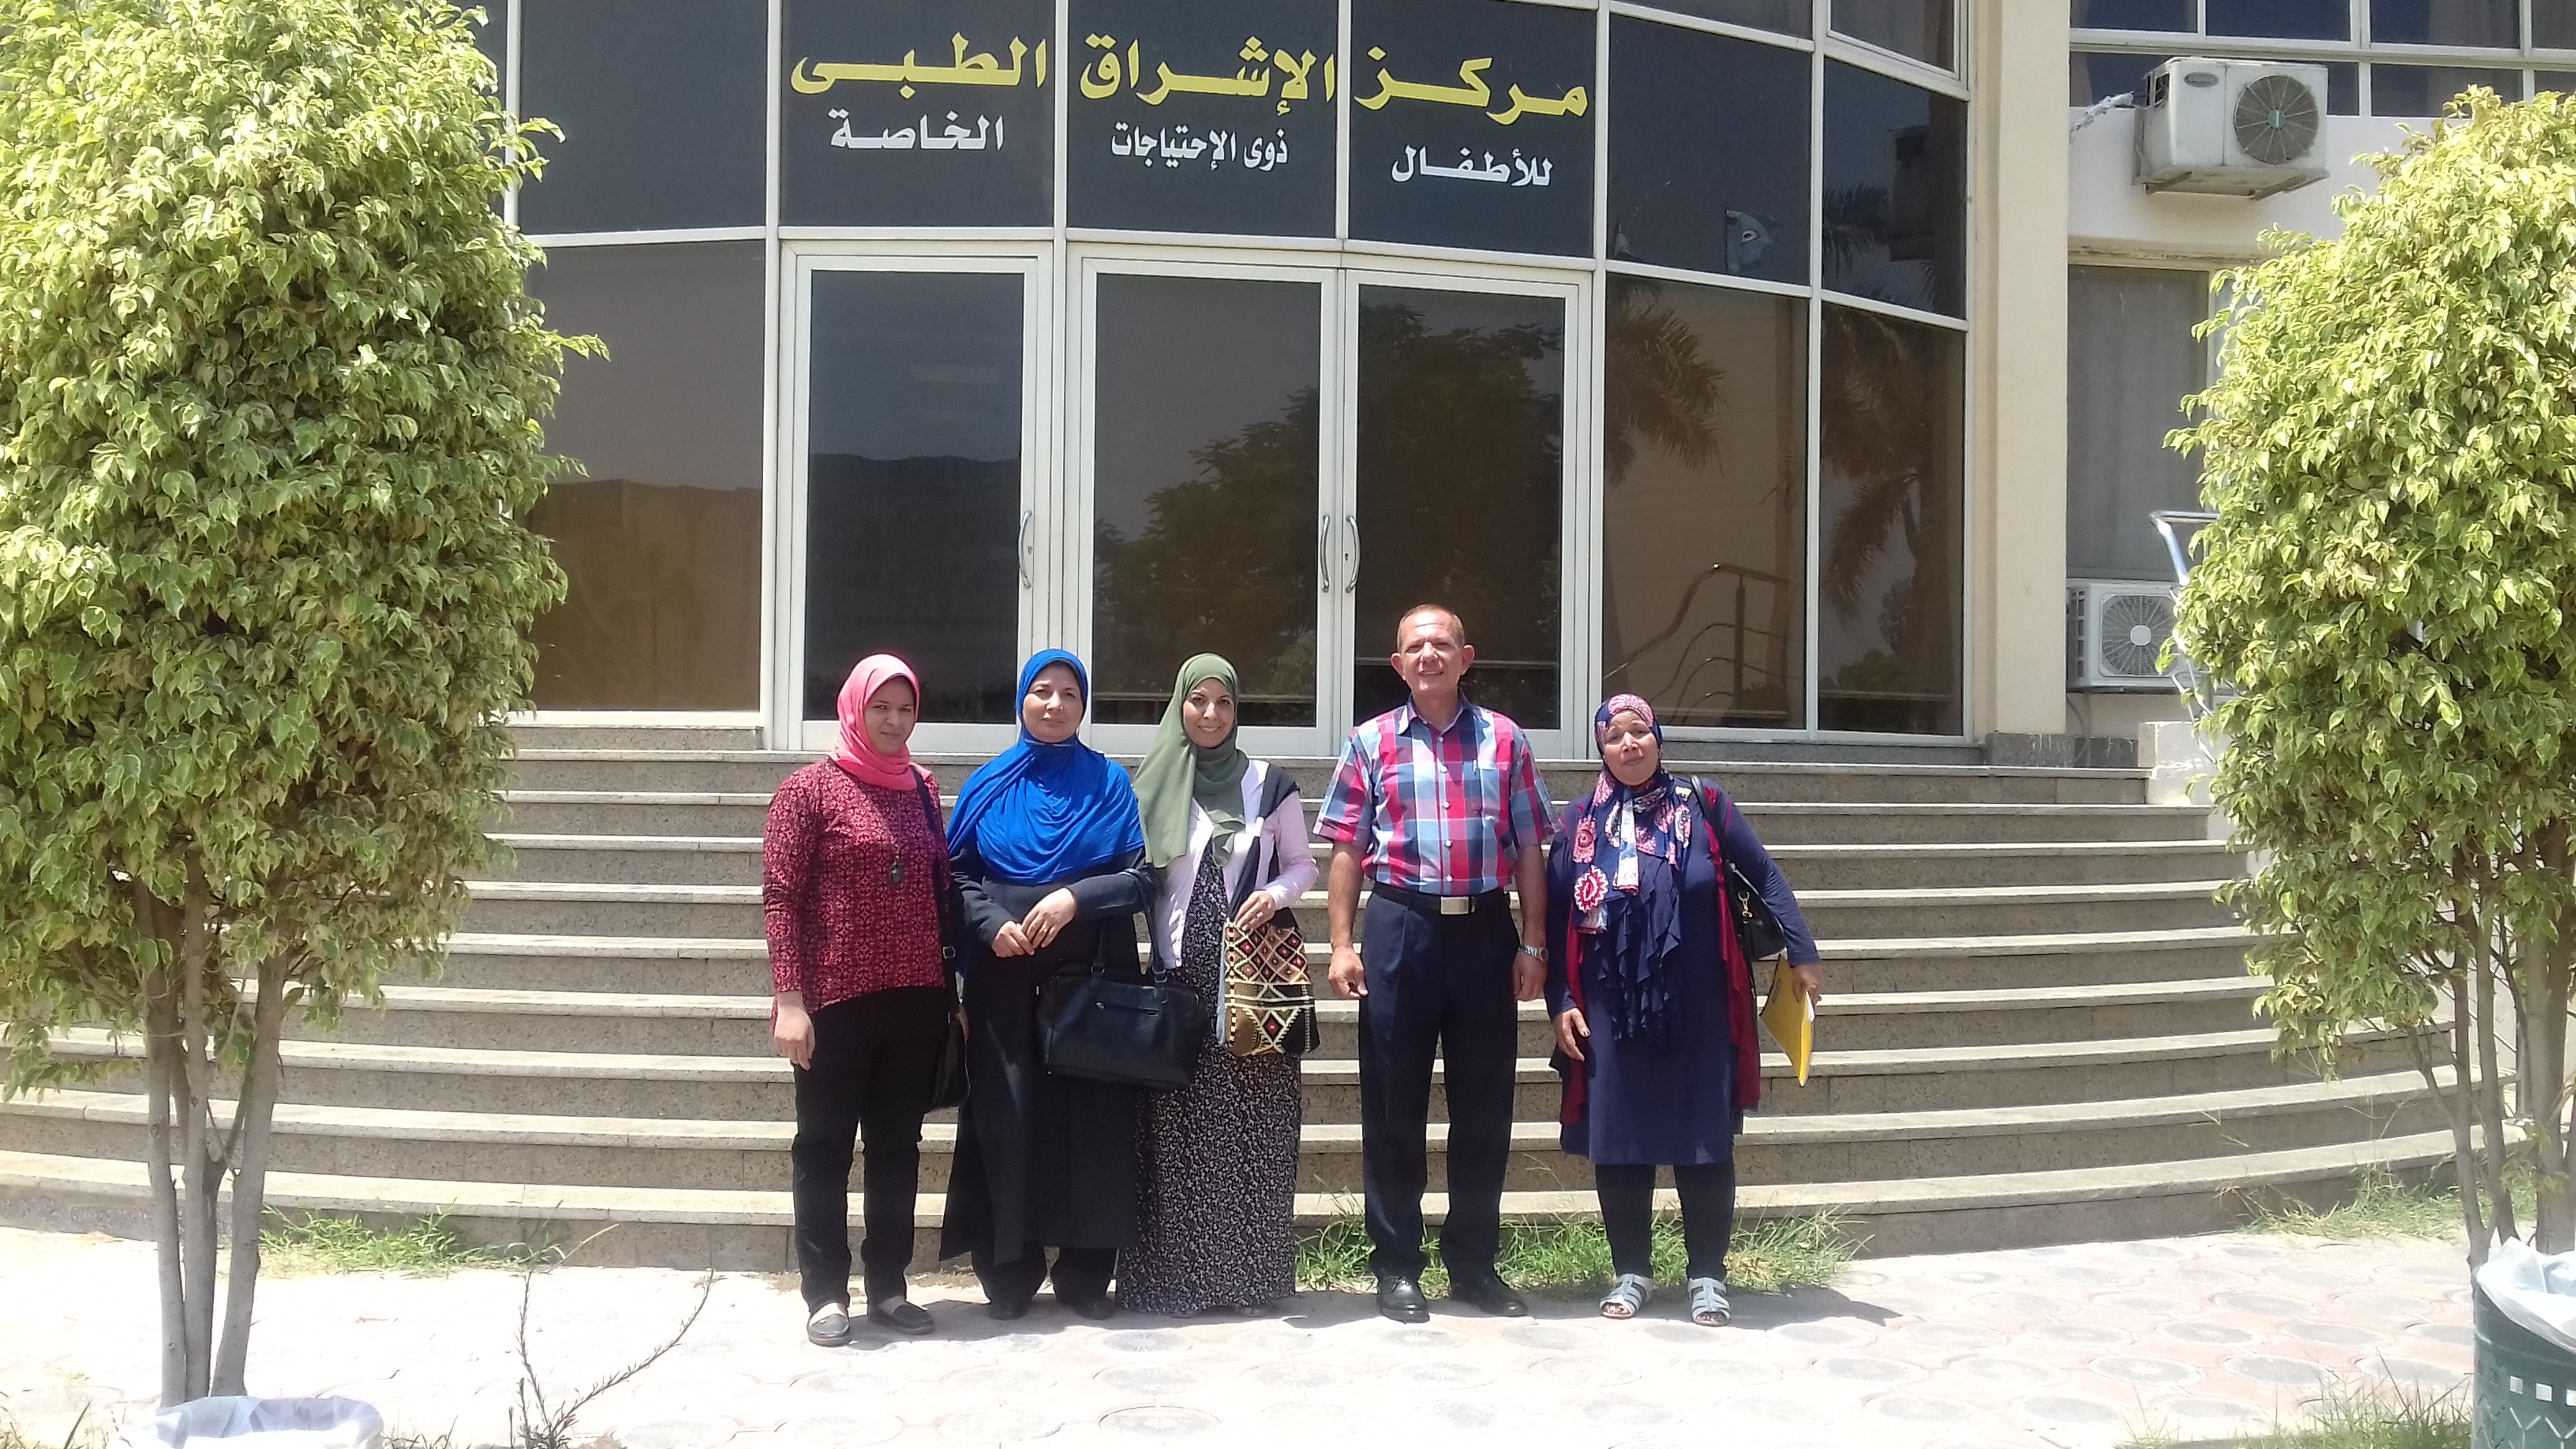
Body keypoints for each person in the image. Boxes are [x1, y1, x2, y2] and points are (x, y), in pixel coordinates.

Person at [1544, 693, 1822, 1327]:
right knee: (1620, 1144)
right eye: (1615, 736)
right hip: (1609, 1010)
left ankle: (1707, 1276)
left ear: (1659, 738)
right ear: (1601, 748)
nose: (1629, 744)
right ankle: (1631, 1271)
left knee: (1704, 1141)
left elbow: (1765, 874)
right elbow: (1556, 916)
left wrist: (1803, 953)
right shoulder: (1580, 820)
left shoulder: (1704, 804)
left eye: (1639, 731)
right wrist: (1560, 1001)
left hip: (1699, 1004)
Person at [1317, 605, 1553, 1324]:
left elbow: (1530, 846)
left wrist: (1533, 942)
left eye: (1442, 644)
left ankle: (1474, 1266)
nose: (1429, 656)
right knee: (1394, 1107)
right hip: (1400, 930)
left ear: (1465, 656)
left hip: (1484, 933)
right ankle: (1397, 1267)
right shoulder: (1369, 742)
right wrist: (1342, 944)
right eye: (1415, 647)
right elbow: (1347, 848)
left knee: (1484, 1108)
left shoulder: (1505, 739)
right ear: (1397, 664)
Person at [938, 650, 1157, 1320]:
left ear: (1084, 706)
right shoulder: (988, 784)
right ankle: (1009, 1272)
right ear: (1021, 702)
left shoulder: (1110, 784)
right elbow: (955, 877)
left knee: (1093, 1123)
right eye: (1042, 691)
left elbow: (1141, 879)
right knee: (1007, 1115)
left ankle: (1086, 1275)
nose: (1056, 704)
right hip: (1005, 977)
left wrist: (1073, 900)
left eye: (1069, 693)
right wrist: (989, 924)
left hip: (1091, 979)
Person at [762, 653, 957, 1345]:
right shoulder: (807, 790)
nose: (894, 722)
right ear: (854, 708)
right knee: (824, 1146)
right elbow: (781, 898)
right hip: (834, 1001)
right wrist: (789, 1000)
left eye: (905, 709)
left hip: (914, 1000)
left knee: (898, 1147)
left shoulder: (923, 788)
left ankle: (889, 1287)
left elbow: (940, 893)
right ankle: (824, 1292)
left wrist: (953, 994)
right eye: (881, 708)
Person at [1121, 655, 1317, 1316]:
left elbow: (1302, 865)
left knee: (1255, 1126)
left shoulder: (1271, 783)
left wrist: (1275, 894)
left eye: (1223, 702)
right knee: (1175, 1131)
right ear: (1179, 706)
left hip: (1254, 977)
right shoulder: (1152, 784)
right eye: (1197, 701)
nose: (1210, 714)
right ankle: (1173, 1282)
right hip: (1178, 976)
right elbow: (1135, 878)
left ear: (1237, 710)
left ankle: (1247, 1281)